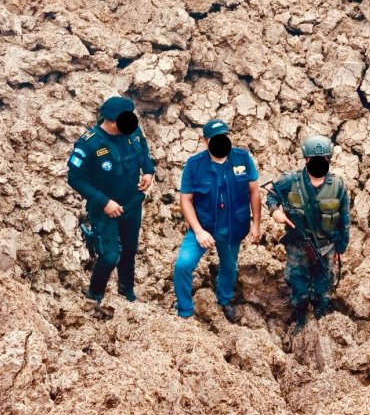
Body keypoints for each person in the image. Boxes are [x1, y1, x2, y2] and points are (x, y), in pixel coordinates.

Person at [67, 95, 155, 308]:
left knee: (129, 250)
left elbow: (142, 147)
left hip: (132, 203)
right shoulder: (89, 143)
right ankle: (94, 296)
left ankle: (127, 293)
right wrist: (104, 202)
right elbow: (74, 179)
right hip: (104, 209)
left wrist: (149, 171)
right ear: (113, 121)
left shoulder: (132, 130)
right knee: (109, 257)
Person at [174, 119, 261, 321]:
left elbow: (254, 192)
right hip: (203, 225)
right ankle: (185, 311)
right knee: (183, 265)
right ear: (205, 141)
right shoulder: (194, 165)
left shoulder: (242, 158)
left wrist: (256, 225)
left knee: (229, 266)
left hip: (233, 227)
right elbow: (185, 200)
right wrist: (198, 231)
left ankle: (224, 300)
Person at [266, 135, 350, 331]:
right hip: (297, 246)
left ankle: (320, 315)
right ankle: (301, 318)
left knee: (323, 286)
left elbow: (344, 218)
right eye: (314, 159)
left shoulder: (338, 185)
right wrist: (275, 211)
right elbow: (271, 195)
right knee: (298, 285)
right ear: (306, 160)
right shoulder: (290, 180)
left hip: (326, 246)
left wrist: (341, 246)